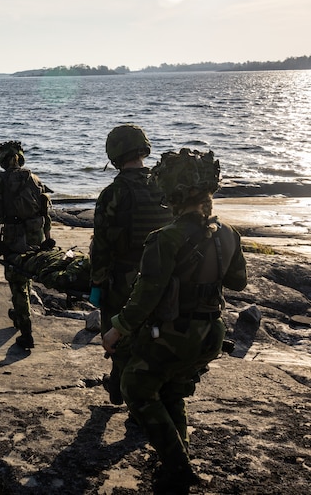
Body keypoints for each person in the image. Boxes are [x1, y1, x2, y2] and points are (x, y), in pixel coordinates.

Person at [101, 148, 247, 491]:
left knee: (134, 387)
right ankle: (174, 463)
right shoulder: (228, 233)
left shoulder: (165, 238)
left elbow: (145, 296)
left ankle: (178, 466)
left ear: (172, 195)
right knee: (171, 394)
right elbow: (238, 281)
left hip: (174, 335)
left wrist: (116, 330)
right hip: (210, 332)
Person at [89, 124, 173, 404]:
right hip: (162, 276)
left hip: (124, 277)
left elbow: (101, 245)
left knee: (118, 336)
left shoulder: (113, 193)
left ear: (114, 154)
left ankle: (121, 390)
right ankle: (139, 390)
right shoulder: (165, 185)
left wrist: (97, 281)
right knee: (153, 336)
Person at [0, 140, 52, 349]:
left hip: (14, 238)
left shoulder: (0, 182)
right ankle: (18, 313)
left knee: (16, 283)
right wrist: (47, 238)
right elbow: (45, 211)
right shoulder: (34, 178)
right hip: (36, 236)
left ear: (2, 161)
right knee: (25, 276)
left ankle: (26, 333)